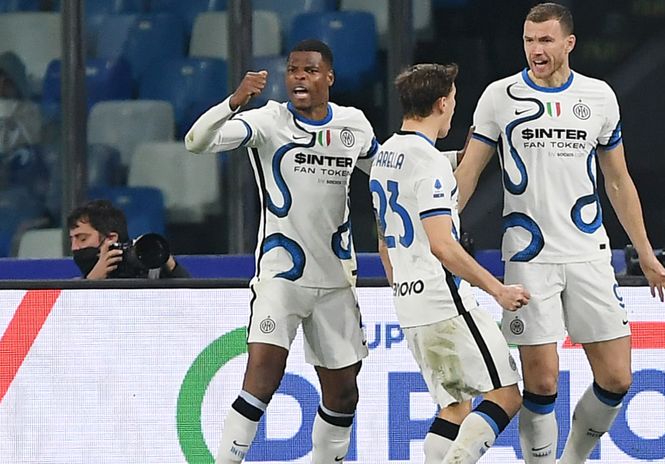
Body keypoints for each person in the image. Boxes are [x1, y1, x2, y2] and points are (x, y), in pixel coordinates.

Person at [454, 3, 665, 463]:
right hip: (529, 257)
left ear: (569, 43)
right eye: (528, 40)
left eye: (545, 40)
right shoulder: (500, 96)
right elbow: (470, 171)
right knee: (541, 383)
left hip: (589, 254)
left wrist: (645, 252)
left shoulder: (599, 97)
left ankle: (573, 458)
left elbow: (618, 180)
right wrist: (440, 227)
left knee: (617, 378)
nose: (535, 49)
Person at [185, 39, 379, 463]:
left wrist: (452, 161)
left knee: (344, 394)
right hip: (282, 277)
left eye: (310, 70)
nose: (299, 78)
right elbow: (196, 141)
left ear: (329, 77)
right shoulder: (268, 121)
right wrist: (234, 102)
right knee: (263, 377)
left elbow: (387, 171)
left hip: (335, 282)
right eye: (293, 70)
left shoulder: (354, 125)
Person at [371, 62, 531, 463]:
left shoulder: (385, 155)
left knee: (456, 407)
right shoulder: (427, 164)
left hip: (410, 303)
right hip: (446, 303)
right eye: (454, 100)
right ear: (442, 103)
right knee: (506, 395)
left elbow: (383, 240)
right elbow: (443, 244)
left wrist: (402, 287)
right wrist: (497, 289)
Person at [68, 199, 189, 279]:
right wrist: (91, 282)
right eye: (71, 240)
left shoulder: (152, 273)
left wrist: (171, 266)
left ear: (111, 238)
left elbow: (192, 304)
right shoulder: (72, 290)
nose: (74, 247)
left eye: (82, 239)